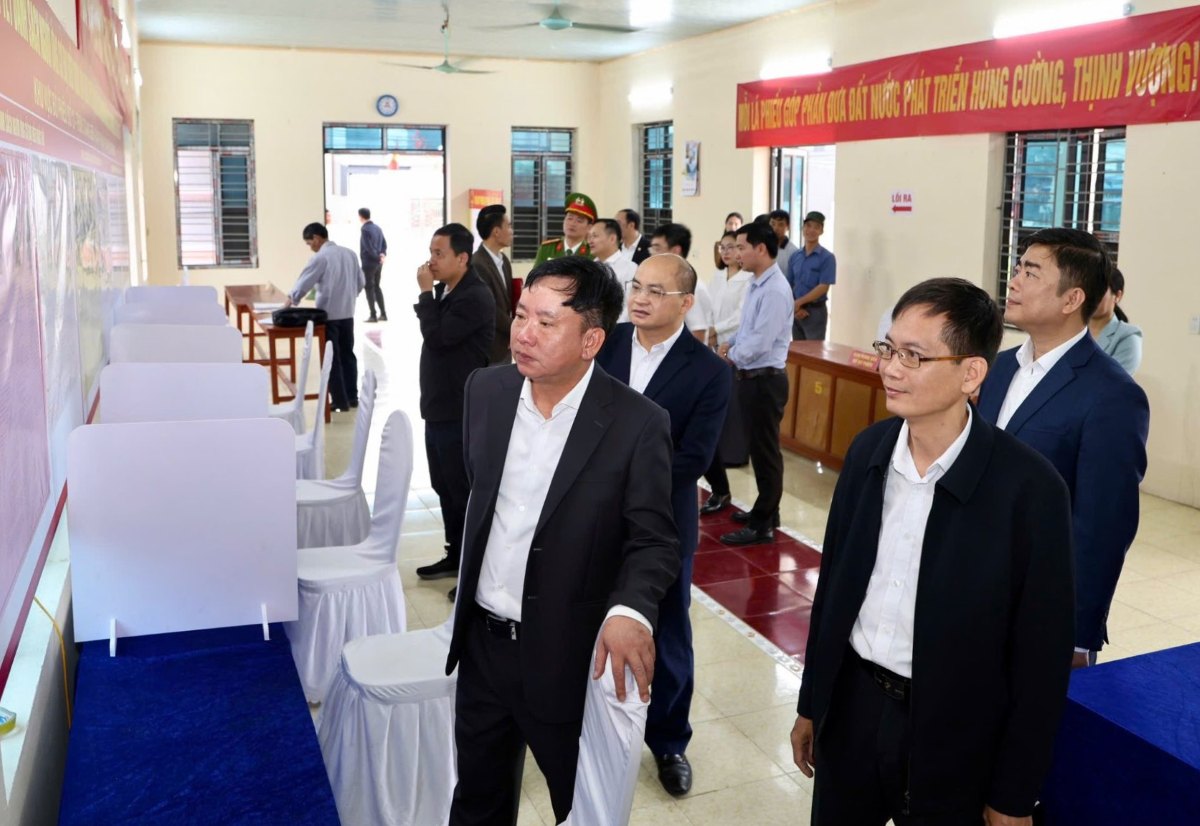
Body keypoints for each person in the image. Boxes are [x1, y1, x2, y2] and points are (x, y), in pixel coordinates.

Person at [792, 278, 1075, 826]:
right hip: (852, 706)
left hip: (956, 726)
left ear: (971, 374)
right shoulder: (869, 450)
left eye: (914, 356)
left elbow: (1040, 657)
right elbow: (835, 589)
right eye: (889, 349)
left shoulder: (1029, 489)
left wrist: (1014, 793)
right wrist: (813, 703)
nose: (891, 369)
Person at [446, 256, 679, 826]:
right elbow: (482, 498)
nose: (523, 334)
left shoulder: (636, 423)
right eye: (521, 314)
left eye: (546, 323)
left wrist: (630, 610)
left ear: (591, 340)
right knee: (477, 798)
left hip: (568, 654)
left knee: (575, 804)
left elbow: (654, 541)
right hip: (483, 643)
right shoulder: (488, 389)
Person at [978, 227, 1149, 669]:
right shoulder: (999, 368)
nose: (1013, 281)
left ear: (1072, 299)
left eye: (1030, 273)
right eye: (1018, 269)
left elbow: (1103, 528)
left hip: (1042, 605)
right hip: (977, 586)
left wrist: (1077, 635)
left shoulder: (1111, 394)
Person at [596, 254, 731, 798]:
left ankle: (670, 741)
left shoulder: (709, 371)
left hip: (663, 522)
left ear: (685, 303)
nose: (641, 297)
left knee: (668, 629)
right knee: (587, 611)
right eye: (636, 286)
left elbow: (693, 458)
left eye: (656, 290)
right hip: (591, 512)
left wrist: (616, 472)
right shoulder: (603, 344)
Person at [414, 223, 496, 582]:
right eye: (431, 252)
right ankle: (454, 553)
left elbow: (439, 338)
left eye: (439, 253)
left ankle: (472, 569)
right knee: (443, 485)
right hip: (439, 405)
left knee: (462, 490)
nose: (431, 260)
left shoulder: (474, 295)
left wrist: (424, 295)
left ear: (462, 258)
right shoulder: (450, 290)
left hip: (460, 408)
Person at [716, 220, 793, 545]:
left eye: (743, 247)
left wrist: (730, 356)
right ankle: (766, 510)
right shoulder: (757, 283)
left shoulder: (775, 290)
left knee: (765, 453)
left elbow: (761, 342)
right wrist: (730, 341)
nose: (738, 253)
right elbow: (747, 328)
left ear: (761, 249)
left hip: (765, 380)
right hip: (752, 378)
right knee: (759, 449)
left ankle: (763, 525)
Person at [285, 222, 363, 412]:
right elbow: (361, 282)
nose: (310, 247)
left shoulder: (321, 258)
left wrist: (289, 302)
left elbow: (304, 282)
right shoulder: (350, 254)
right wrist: (349, 298)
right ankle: (352, 398)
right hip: (348, 314)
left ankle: (339, 402)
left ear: (317, 239)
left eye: (309, 243)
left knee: (332, 358)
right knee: (348, 355)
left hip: (328, 316)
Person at [700, 231, 753, 515]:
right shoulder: (717, 277)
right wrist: (709, 330)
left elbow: (740, 316)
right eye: (723, 247)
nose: (727, 252)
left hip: (730, 343)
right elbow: (708, 309)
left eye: (733, 247)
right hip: (712, 341)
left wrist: (717, 333)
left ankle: (733, 453)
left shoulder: (748, 280)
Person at [649, 223, 713, 344]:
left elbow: (697, 333)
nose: (652, 254)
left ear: (675, 251)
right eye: (651, 248)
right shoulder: (663, 283)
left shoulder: (693, 286)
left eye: (657, 248)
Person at [471, 204, 516, 365]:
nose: (512, 231)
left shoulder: (504, 261)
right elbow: (490, 309)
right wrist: (517, 327)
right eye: (509, 226)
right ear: (496, 232)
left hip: (504, 345)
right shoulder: (477, 263)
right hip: (488, 347)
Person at [787, 210, 836, 341]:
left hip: (815, 313)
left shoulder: (827, 258)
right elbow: (788, 284)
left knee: (814, 354)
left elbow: (823, 287)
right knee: (798, 354)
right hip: (796, 312)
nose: (811, 230)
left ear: (821, 231)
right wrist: (796, 307)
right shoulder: (795, 256)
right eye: (808, 226)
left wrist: (799, 302)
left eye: (816, 227)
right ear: (803, 228)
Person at [1088, 266, 1143, 374]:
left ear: (1118, 296)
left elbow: (1112, 382)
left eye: (1099, 290)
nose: (1092, 296)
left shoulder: (1128, 336)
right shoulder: (1072, 330)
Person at [589, 218, 637, 322]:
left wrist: (612, 328)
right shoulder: (590, 268)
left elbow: (629, 305)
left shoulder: (630, 268)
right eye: (590, 237)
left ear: (612, 239)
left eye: (595, 236)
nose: (590, 241)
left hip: (618, 329)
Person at [534, 192, 596, 265]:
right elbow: (536, 276)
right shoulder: (547, 249)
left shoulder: (592, 252)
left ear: (589, 227)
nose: (572, 223)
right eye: (569, 218)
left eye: (579, 221)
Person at [358, 207, 388, 322]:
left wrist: (376, 257)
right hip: (379, 263)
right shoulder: (378, 228)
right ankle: (384, 314)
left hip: (369, 263)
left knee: (369, 288)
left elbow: (368, 247)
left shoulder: (365, 229)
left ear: (360, 216)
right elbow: (384, 244)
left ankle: (373, 315)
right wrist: (382, 255)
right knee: (377, 287)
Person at [769, 209, 797, 273]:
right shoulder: (763, 247)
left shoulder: (793, 252)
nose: (776, 228)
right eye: (773, 224)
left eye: (780, 224)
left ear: (788, 227)